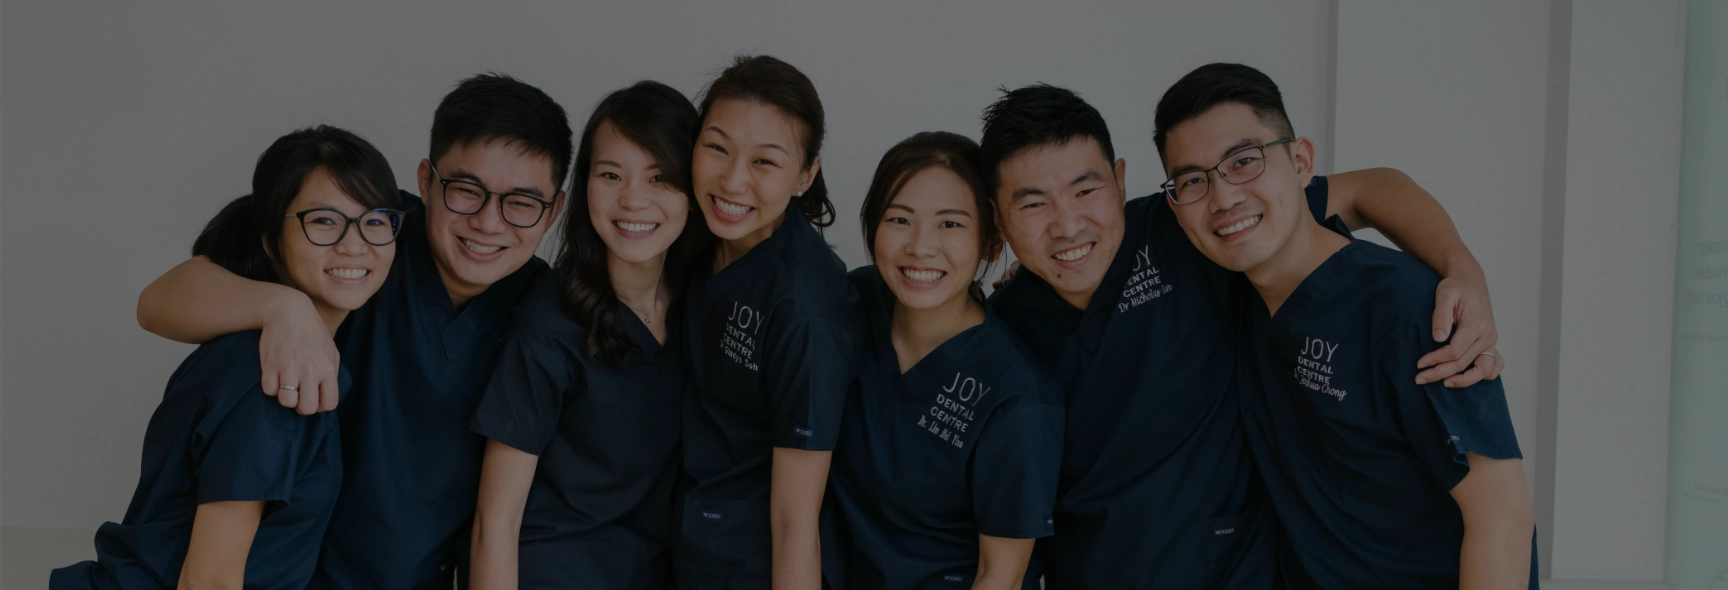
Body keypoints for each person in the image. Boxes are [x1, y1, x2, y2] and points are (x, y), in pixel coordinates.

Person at [982, 84, 1506, 588]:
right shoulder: (1003, 327)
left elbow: (1374, 188)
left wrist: (1461, 267)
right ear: (999, 219)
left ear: (1119, 181)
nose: (1068, 225)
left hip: (1235, 571)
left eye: (1086, 189)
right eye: (1033, 205)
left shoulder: (1192, 227)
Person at [134, 74, 572, 588]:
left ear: (554, 211)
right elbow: (156, 303)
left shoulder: (545, 310)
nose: (488, 223)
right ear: (427, 182)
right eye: (466, 190)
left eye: (521, 203)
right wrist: (283, 307)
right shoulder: (367, 242)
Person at [1154, 62, 1536, 589]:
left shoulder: (1408, 311)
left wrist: (1461, 265)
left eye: (1244, 161)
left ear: (1300, 161)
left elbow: (1504, 521)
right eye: (1192, 179)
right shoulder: (1240, 278)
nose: (1223, 197)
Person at [53, 126, 402, 590]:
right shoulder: (275, 380)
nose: (355, 244)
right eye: (324, 220)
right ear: (270, 239)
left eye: (375, 220)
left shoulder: (250, 345)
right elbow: (210, 582)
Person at [467, 80, 705, 589]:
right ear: (582, 189)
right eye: (611, 174)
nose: (632, 200)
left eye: (661, 176)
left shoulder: (703, 307)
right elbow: (495, 522)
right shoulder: (550, 323)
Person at [821, 131, 1063, 590]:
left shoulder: (1016, 395)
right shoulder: (852, 305)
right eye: (899, 219)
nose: (920, 247)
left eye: (950, 224)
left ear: (992, 241)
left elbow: (1002, 579)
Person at [675, 55, 857, 589]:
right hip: (679, 537)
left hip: (749, 565)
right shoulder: (692, 233)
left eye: (765, 162)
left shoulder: (806, 311)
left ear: (805, 175)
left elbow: (796, 519)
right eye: (716, 147)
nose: (732, 181)